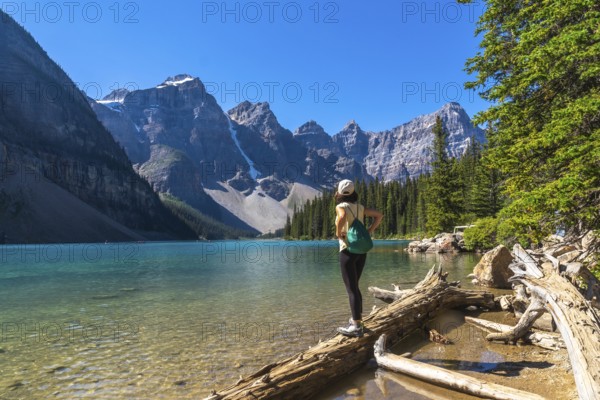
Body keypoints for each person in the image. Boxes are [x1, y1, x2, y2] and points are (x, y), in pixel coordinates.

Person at [335, 179, 383, 337]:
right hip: (361, 251)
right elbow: (379, 215)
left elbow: (341, 217)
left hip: (348, 250)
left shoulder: (341, 206)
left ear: (340, 193)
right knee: (355, 287)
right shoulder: (360, 208)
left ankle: (356, 326)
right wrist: (369, 230)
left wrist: (338, 232)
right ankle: (358, 321)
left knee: (351, 289)